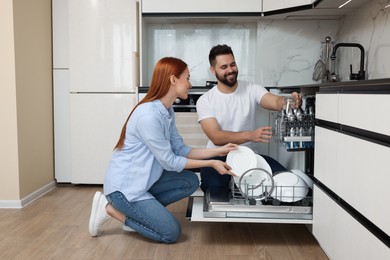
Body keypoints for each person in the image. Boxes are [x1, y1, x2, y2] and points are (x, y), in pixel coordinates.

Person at [88, 57, 237, 244]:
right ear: (173, 80)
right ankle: (110, 210)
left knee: (190, 181)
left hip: (145, 181)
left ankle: (142, 216)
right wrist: (212, 164)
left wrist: (220, 151)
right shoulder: (148, 116)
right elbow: (171, 162)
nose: (190, 84)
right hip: (124, 190)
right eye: (187, 78)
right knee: (171, 233)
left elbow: (181, 149)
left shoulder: (167, 110)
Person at [196, 44, 301, 193]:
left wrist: (288, 102)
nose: (230, 70)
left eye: (233, 64)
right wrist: (250, 135)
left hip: (249, 157)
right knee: (217, 191)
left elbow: (274, 101)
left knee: (286, 184)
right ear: (213, 71)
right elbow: (216, 137)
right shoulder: (206, 100)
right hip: (217, 158)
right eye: (224, 67)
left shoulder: (251, 89)